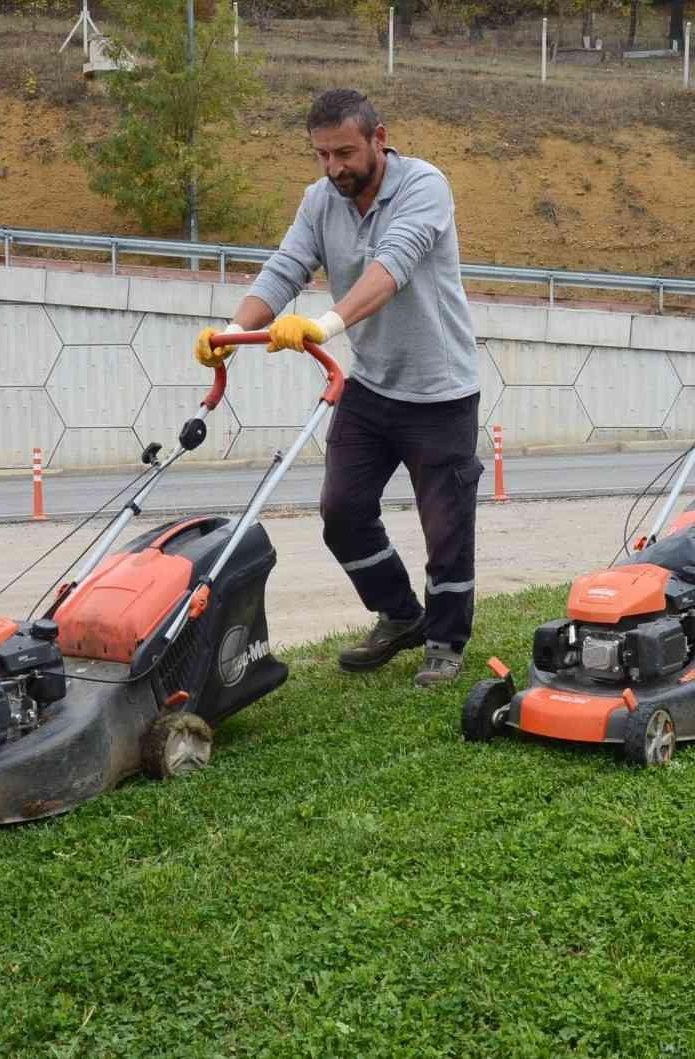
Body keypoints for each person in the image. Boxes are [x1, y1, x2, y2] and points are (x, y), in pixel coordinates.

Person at [195, 89, 483, 687]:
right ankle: (401, 615)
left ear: (379, 138)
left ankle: (446, 642)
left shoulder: (425, 186)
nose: (334, 168)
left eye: (345, 153)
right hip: (372, 387)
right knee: (342, 512)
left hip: (441, 393)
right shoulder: (320, 200)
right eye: (322, 155)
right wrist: (231, 331)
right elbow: (285, 267)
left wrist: (324, 325)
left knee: (446, 526)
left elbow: (392, 268)